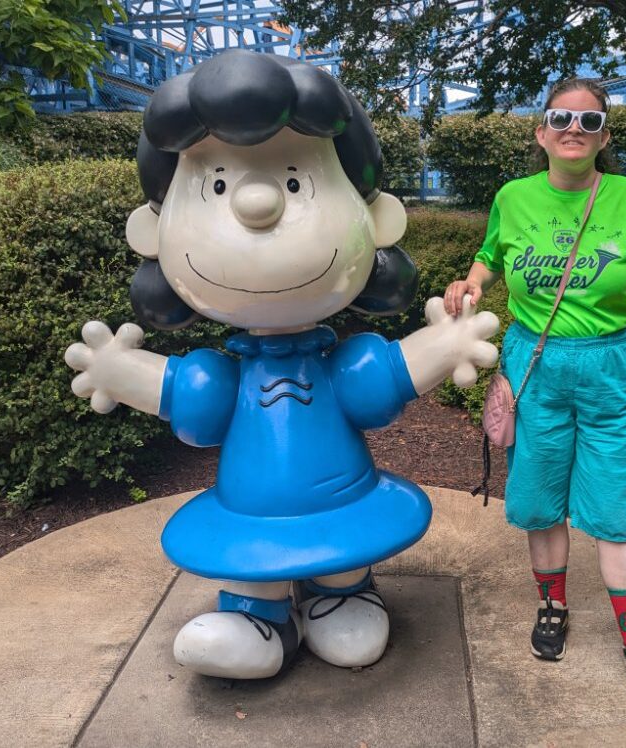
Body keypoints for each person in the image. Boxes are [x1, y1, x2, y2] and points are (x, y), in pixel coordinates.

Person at [65, 49, 499, 682]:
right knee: (248, 562)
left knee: (343, 559)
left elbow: (379, 378)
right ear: (153, 235)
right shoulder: (224, 375)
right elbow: (194, 398)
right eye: (216, 184)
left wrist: (444, 346)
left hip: (343, 503)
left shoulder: (339, 365)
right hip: (249, 514)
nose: (260, 201)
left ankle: (342, 594)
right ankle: (257, 617)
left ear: (374, 219)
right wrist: (119, 373)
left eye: (296, 180)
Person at [444, 78, 626, 708]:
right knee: (540, 495)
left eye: (588, 121)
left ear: (604, 135)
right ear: (540, 131)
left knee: (613, 509)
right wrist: (468, 285)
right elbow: (489, 255)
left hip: (610, 368)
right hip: (535, 364)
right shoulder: (514, 197)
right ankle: (553, 607)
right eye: (560, 118)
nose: (573, 129)